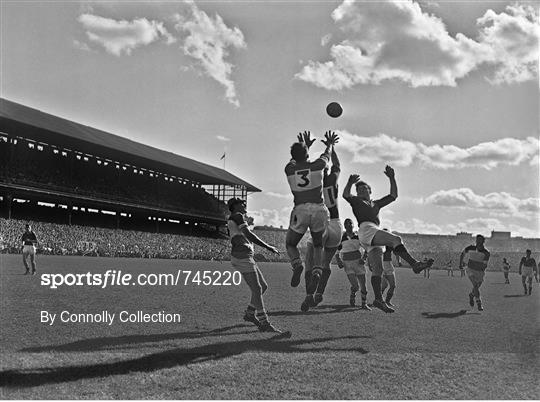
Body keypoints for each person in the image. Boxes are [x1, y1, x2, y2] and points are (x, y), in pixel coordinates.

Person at [342, 166, 433, 313]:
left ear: (370, 191)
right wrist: (350, 182)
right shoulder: (357, 202)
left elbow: (393, 196)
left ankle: (378, 299)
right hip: (366, 230)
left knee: (377, 269)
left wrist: (392, 177)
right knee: (396, 239)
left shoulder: (376, 203)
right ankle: (414, 264)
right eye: (359, 190)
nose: (361, 191)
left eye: (364, 189)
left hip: (372, 235)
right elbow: (346, 194)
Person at [285, 131, 338, 289]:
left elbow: (294, 160)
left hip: (300, 209)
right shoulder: (318, 166)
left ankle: (296, 264)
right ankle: (317, 271)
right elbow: (326, 155)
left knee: (290, 244)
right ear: (307, 154)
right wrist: (329, 144)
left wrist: (305, 146)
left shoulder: (289, 169)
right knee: (318, 244)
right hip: (319, 209)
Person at [227, 198, 285, 333]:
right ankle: (264, 322)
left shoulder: (235, 217)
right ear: (235, 206)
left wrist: (253, 253)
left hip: (245, 256)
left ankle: (249, 313)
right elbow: (248, 235)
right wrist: (268, 247)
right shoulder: (238, 216)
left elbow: (242, 238)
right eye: (241, 203)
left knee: (262, 287)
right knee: (257, 288)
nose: (244, 205)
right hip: (242, 257)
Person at [301, 131, 343, 311]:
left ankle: (309, 295)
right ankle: (319, 293)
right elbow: (338, 165)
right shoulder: (332, 179)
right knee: (326, 263)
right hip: (336, 225)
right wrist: (331, 145)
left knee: (310, 263)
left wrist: (306, 147)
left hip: (321, 224)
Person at [335, 219, 371, 310]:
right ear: (345, 226)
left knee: (364, 286)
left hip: (358, 263)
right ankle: (353, 294)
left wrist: (364, 259)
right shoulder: (342, 238)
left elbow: (367, 248)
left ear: (353, 225)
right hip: (347, 264)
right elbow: (337, 252)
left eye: (350, 223)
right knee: (356, 286)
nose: (349, 225)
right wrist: (339, 261)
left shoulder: (358, 237)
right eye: (346, 223)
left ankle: (364, 304)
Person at [459, 234, 490, 311]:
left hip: (480, 272)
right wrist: (460, 263)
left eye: (480, 240)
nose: (478, 241)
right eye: (477, 240)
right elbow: (462, 253)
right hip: (470, 269)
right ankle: (479, 303)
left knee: (476, 288)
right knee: (475, 286)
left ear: (483, 241)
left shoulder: (486, 252)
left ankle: (471, 295)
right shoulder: (470, 248)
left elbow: (484, 265)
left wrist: (480, 267)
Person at [380, 239, 396, 307]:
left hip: (389, 265)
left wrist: (399, 261)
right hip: (381, 265)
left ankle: (387, 301)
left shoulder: (390, 245)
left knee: (393, 285)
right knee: (384, 285)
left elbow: (396, 252)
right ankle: (379, 300)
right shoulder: (379, 245)